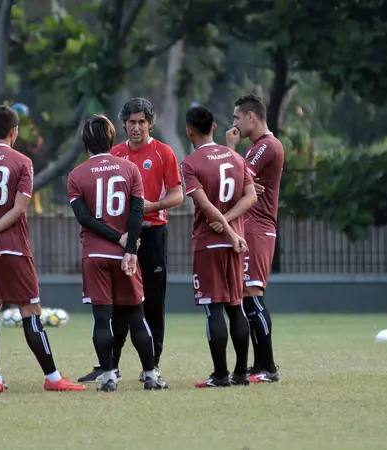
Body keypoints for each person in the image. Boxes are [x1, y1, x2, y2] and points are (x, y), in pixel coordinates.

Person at [0, 105, 85, 393]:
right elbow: (19, 209)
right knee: (30, 310)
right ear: (14, 131)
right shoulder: (22, 161)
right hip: (13, 247)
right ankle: (53, 378)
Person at [79, 97, 183, 384]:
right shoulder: (113, 153)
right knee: (115, 302)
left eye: (142, 122)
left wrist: (145, 207)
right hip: (121, 236)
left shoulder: (164, 153)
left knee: (151, 301)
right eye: (131, 122)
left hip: (152, 233)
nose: (136, 128)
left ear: (150, 123)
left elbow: (177, 195)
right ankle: (110, 364)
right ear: (123, 124)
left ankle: (153, 364)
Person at [180, 106, 257, 387]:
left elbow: (203, 203)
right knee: (235, 307)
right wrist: (232, 228)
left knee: (214, 308)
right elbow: (251, 197)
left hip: (209, 244)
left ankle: (221, 375)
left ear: (189, 131)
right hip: (236, 244)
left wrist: (222, 225)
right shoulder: (236, 158)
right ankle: (241, 374)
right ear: (214, 127)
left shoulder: (190, 163)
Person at [224, 94, 285, 383]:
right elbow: (242, 180)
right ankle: (259, 365)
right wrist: (246, 183)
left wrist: (231, 149)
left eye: (237, 117)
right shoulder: (257, 148)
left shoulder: (267, 146)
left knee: (252, 296)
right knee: (246, 297)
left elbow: (236, 176)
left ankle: (268, 367)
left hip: (258, 228)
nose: (233, 123)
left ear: (251, 117)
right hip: (250, 226)